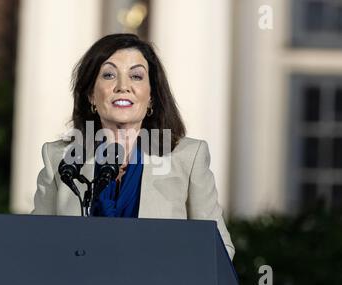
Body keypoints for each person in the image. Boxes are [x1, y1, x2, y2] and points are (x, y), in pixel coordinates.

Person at [31, 33, 235, 260]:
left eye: (136, 76)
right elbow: (36, 246)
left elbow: (219, 249)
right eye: (109, 75)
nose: (123, 86)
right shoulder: (60, 158)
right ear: (91, 95)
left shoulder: (188, 158)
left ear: (151, 97)